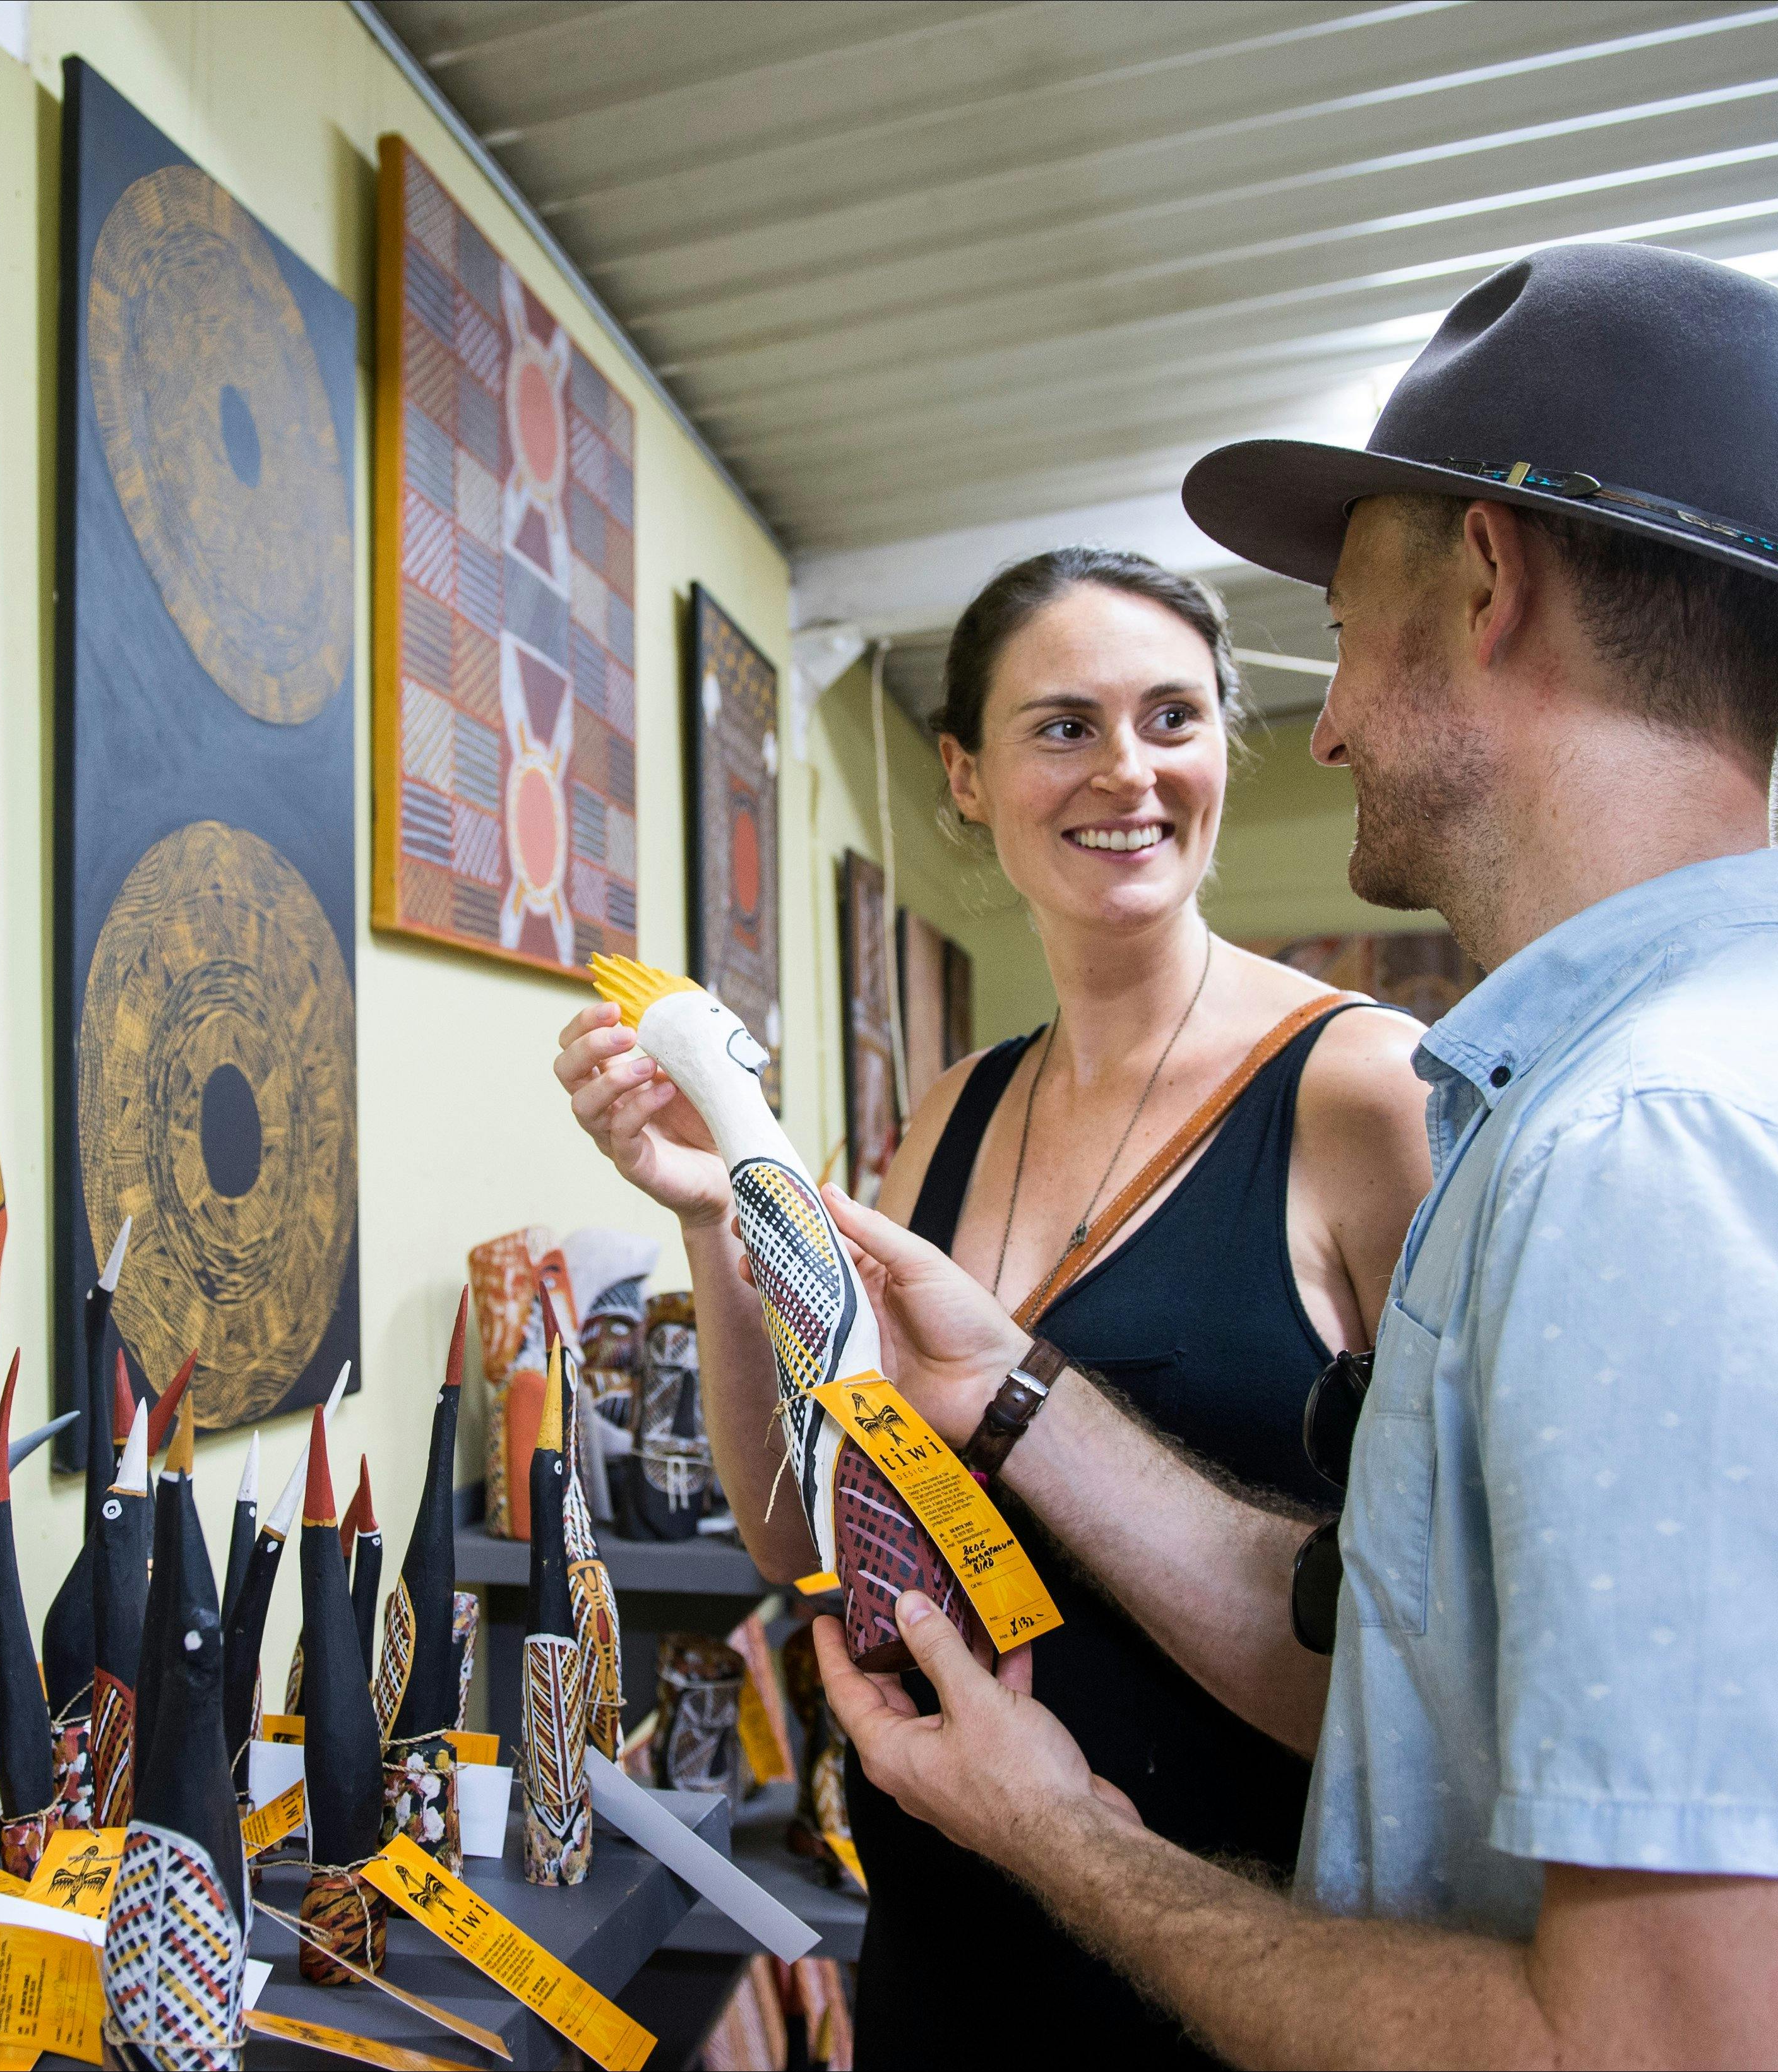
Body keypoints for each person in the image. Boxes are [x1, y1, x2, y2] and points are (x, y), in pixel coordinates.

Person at [804, 242, 1778, 2069]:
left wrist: (1067, 1838)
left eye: (1344, 626)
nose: (1330, 718)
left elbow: (1676, 2050)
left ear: (1487, 582)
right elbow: (1418, 1678)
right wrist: (1010, 1381)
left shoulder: (1688, 1164)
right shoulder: (1632, 1103)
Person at [555, 548, 1435, 2064]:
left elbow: (1435, 1675)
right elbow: (804, 1534)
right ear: (964, 775)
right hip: (948, 1960)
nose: (1131, 772)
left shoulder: (1364, 1095)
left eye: (1174, 717)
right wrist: (712, 1220)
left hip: (1236, 1983)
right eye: (1064, 726)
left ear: (1228, 741)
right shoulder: (954, 1111)